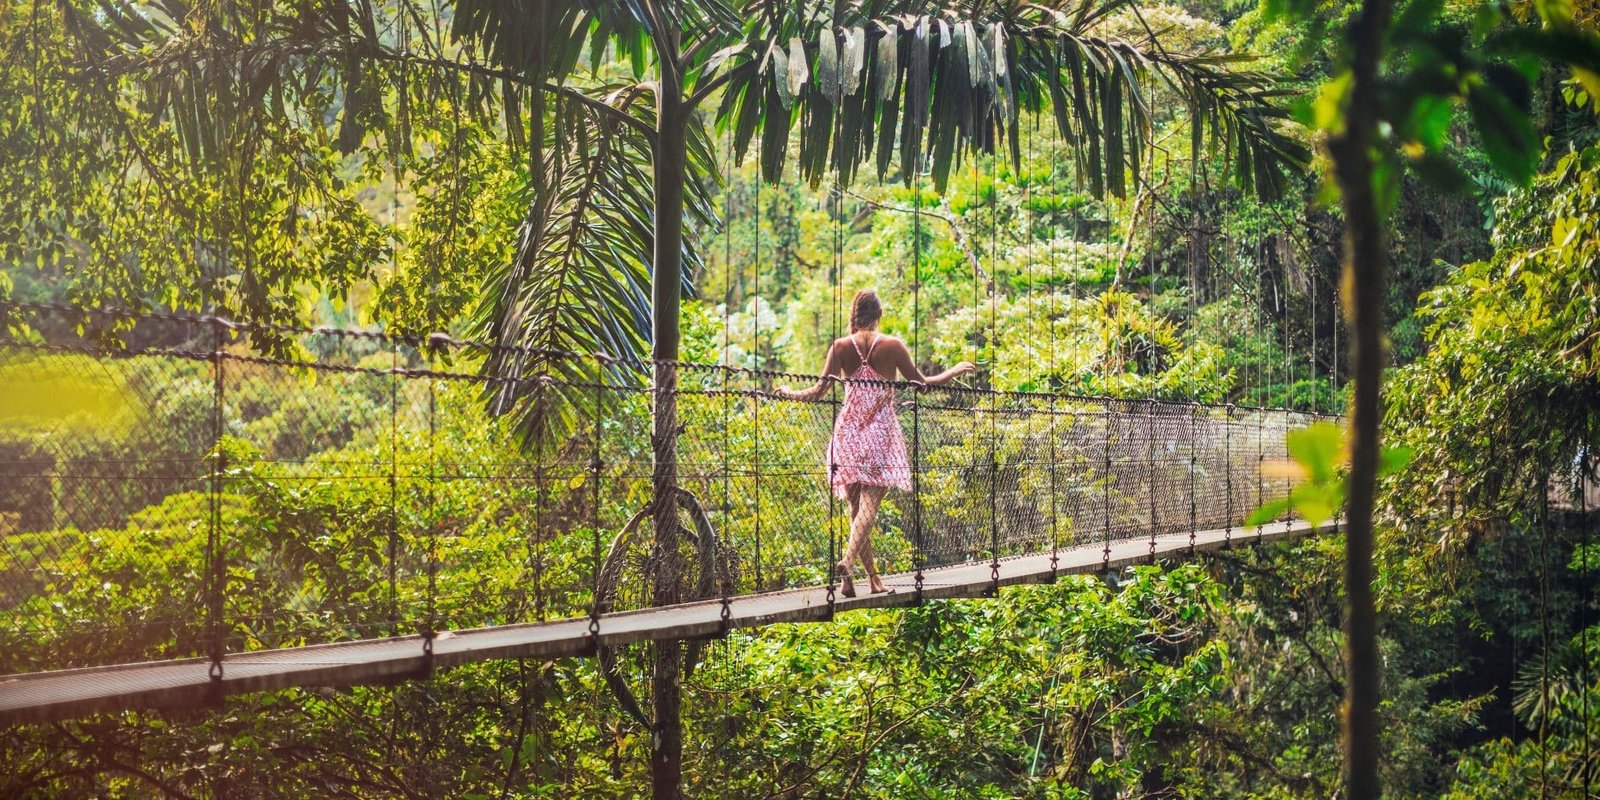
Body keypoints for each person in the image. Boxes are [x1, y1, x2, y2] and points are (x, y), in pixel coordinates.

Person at [777, 289, 975, 597]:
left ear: (854, 316)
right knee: (868, 509)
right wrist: (954, 371)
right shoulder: (893, 345)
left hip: (848, 433)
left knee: (856, 512)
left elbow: (817, 393)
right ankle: (848, 560)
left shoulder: (840, 346)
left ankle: (865, 580)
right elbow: (923, 384)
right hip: (880, 435)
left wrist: (789, 393)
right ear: (879, 315)